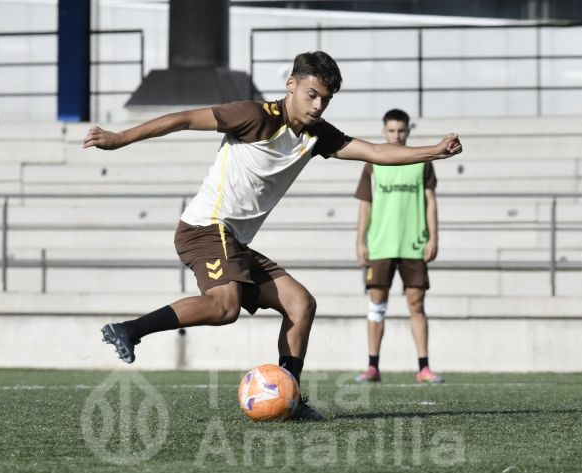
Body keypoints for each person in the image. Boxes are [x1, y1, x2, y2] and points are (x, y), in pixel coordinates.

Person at [83, 52, 461, 420]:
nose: (317, 106)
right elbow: (183, 118)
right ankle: (130, 330)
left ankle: (290, 397)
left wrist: (434, 151)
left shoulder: (316, 136)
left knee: (301, 304)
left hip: (233, 240)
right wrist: (120, 138)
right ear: (291, 85)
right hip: (205, 227)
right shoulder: (252, 116)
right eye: (311, 95)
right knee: (224, 306)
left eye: (325, 100)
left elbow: (375, 151)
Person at [354, 109, 444, 384]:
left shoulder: (422, 162)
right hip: (381, 244)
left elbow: (430, 201)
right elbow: (365, 205)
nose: (396, 135)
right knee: (377, 304)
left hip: (413, 244)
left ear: (408, 131)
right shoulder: (373, 162)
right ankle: (372, 366)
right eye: (391, 130)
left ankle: (424, 367)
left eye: (401, 131)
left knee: (417, 304)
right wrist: (360, 241)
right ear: (384, 131)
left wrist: (433, 237)